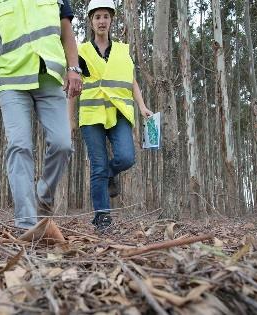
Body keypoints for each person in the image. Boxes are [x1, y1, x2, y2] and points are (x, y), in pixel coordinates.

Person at [0, 0, 83, 229]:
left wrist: (74, 68)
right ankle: (26, 224)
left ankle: (44, 196)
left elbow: (66, 32)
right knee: (19, 145)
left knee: (62, 143)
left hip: (50, 76)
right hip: (12, 81)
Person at [68, 0, 153, 232]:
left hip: (119, 112)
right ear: (91, 21)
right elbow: (73, 86)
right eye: (97, 17)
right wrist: (70, 120)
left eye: (106, 16)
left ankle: (109, 174)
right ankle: (102, 217)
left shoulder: (122, 50)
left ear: (111, 20)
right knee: (97, 166)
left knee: (126, 158)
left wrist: (143, 106)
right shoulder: (81, 51)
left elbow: (132, 81)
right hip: (92, 114)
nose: (102, 21)